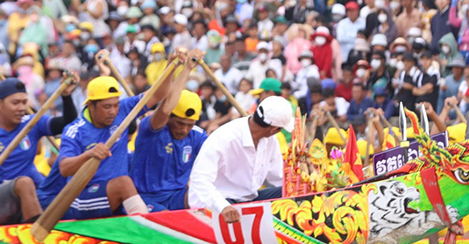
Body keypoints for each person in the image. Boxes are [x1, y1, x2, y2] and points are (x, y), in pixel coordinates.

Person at [36, 65, 171, 220]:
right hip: (82, 198)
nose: (113, 111)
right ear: (91, 105)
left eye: (115, 105)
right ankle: (145, 232)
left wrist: (172, 66)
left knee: (164, 215)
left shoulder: (124, 110)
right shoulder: (75, 130)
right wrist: (88, 155)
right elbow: (64, 168)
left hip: (115, 194)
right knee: (124, 184)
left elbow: (158, 94)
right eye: (107, 107)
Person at [0, 77, 78, 227]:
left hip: (23, 200)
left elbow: (68, 122)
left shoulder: (31, 123)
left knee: (63, 164)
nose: (21, 108)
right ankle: (36, 240)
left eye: (24, 102)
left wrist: (66, 96)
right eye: (15, 103)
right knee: (25, 183)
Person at [187, 95, 293, 223]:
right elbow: (199, 179)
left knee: (291, 194)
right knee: (232, 213)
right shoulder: (224, 137)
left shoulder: (271, 140)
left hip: (249, 198)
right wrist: (223, 205)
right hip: (221, 199)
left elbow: (278, 177)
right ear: (275, 129)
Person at [131, 64, 209, 213]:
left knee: (206, 204)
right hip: (145, 197)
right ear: (169, 118)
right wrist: (186, 69)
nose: (184, 130)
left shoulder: (198, 135)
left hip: (177, 196)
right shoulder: (150, 128)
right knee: (168, 220)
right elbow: (166, 108)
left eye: (189, 125)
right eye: (180, 123)